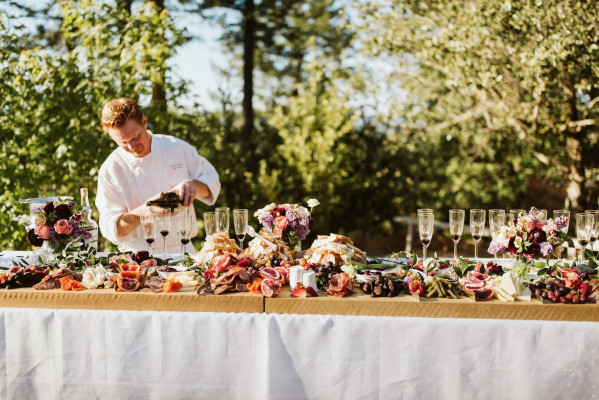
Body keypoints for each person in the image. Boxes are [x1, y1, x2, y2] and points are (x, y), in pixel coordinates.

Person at [96, 97, 220, 253]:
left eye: (135, 137)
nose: (132, 146)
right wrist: (145, 211)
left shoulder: (176, 147)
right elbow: (112, 228)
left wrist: (192, 185)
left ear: (144, 122)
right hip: (138, 257)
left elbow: (212, 185)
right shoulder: (111, 168)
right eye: (123, 142)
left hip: (183, 251)